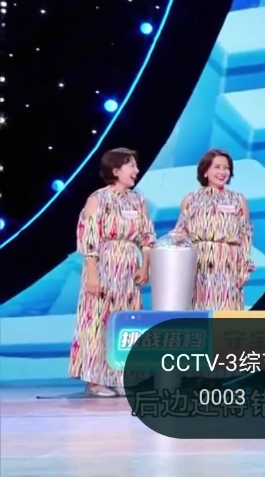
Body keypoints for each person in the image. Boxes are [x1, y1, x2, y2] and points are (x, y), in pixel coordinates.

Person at [70, 148, 155, 397]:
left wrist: (145, 266)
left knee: (125, 321)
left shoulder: (137, 201)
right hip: (103, 263)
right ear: (116, 170)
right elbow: (88, 238)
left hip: (129, 266)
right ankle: (94, 379)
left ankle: (120, 376)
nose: (136, 170)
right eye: (131, 165)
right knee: (98, 320)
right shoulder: (98, 198)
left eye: (136, 166)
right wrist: (92, 274)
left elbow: (147, 236)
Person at [174, 149, 254, 312]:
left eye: (226, 168)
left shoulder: (238, 200)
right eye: (217, 167)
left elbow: (245, 236)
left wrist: (244, 269)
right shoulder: (191, 198)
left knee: (227, 311)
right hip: (199, 264)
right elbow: (181, 232)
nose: (222, 172)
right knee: (199, 311)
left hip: (228, 265)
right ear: (205, 171)